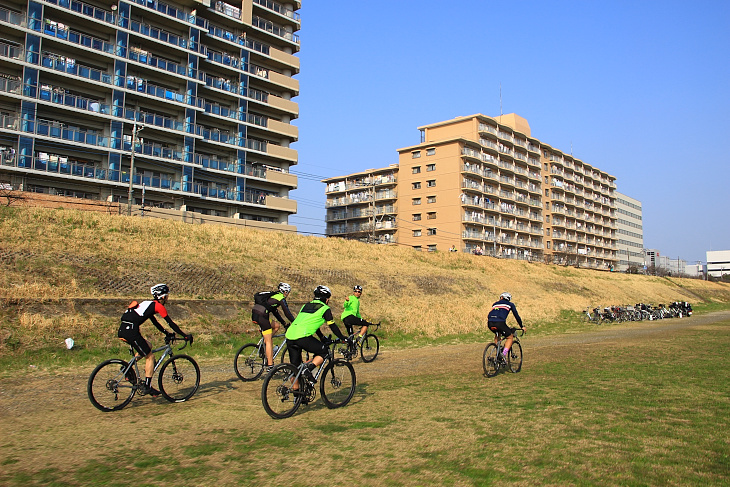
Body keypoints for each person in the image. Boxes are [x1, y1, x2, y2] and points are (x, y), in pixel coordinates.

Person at [117, 284, 192, 396]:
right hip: (131, 331)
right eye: (166, 296)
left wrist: (166, 333)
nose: (167, 299)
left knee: (148, 346)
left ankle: (127, 367)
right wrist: (185, 335)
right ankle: (147, 386)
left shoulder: (147, 304)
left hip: (124, 329)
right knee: (150, 356)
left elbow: (155, 322)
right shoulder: (159, 306)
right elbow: (170, 323)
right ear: (161, 296)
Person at [285, 285, 347, 383]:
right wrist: (343, 338)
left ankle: (297, 395)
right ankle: (309, 369)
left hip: (290, 335)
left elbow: (313, 324)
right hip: (303, 337)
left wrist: (322, 337)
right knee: (324, 351)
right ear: (326, 299)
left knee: (295, 370)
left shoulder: (306, 305)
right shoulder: (325, 308)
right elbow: (333, 326)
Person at [252, 283, 296, 371]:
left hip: (256, 314)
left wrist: (284, 323)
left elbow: (275, 313)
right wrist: (295, 322)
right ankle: (270, 365)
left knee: (276, 326)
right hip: (262, 317)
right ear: (285, 292)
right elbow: (287, 312)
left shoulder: (273, 296)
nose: (287, 294)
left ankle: (264, 347)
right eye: (288, 292)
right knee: (269, 341)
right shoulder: (281, 298)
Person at [487, 292, 525, 363]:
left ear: (501, 297)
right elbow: (516, 316)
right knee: (510, 337)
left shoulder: (495, 304)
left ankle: (498, 350)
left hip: (490, 323)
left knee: (497, 334)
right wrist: (522, 326)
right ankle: (503, 355)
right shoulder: (510, 304)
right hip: (500, 323)